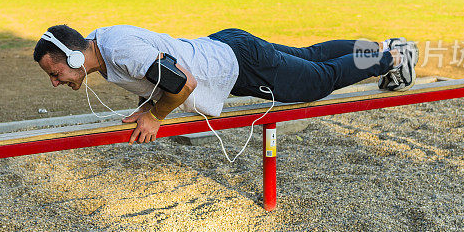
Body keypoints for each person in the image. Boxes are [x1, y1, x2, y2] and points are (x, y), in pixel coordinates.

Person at [34, 25, 418, 144]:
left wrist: (156, 118)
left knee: (320, 80)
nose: (55, 82)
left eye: (56, 73)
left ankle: (392, 59)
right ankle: (381, 47)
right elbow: (158, 75)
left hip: (239, 65)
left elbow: (183, 83)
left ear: (72, 58)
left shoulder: (120, 53)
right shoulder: (104, 46)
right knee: (311, 55)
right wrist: (148, 106)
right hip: (229, 47)